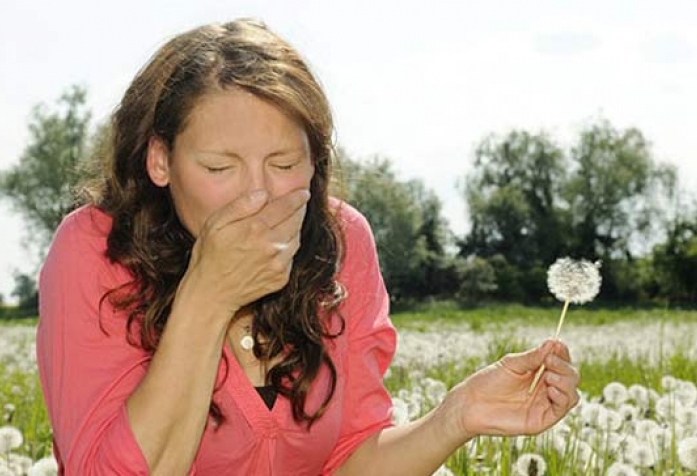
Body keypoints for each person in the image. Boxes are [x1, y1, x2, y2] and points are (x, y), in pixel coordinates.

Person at [36, 18, 580, 476]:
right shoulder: (95, 253)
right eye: (219, 167)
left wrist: (455, 418)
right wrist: (207, 299)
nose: (258, 193)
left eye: (284, 164)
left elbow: (352, 457)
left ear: (316, 162)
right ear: (161, 160)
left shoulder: (341, 243)